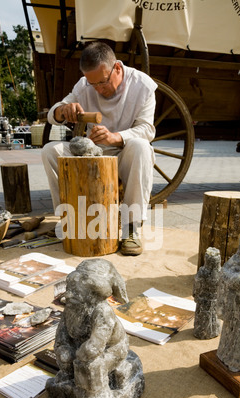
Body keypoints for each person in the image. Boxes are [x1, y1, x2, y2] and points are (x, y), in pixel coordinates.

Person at [42, 41, 157, 255]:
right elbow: (53, 115)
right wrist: (63, 110)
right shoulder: (85, 84)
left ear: (117, 68)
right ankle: (67, 219)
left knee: (141, 146)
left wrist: (116, 137)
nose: (98, 89)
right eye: (93, 84)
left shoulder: (143, 85)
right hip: (91, 153)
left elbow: (147, 129)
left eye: (102, 82)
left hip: (124, 152)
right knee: (50, 151)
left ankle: (132, 228)